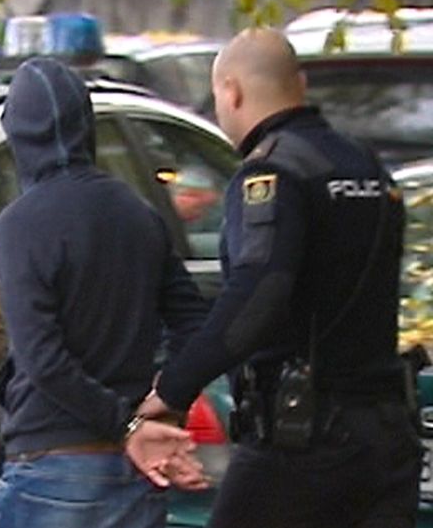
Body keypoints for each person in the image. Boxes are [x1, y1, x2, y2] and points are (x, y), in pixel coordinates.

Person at [133, 28, 421, 527]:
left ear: (231, 91)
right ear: (301, 85)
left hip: (302, 441)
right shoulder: (367, 167)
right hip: (386, 433)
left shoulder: (273, 175)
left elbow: (259, 293)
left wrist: (174, 388)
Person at [0, 57, 208, 528]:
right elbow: (194, 323)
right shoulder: (137, 211)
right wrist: (163, 404)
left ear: (16, 135)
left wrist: (128, 426)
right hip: (132, 468)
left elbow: (42, 358)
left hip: (54, 461)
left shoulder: (21, 225)